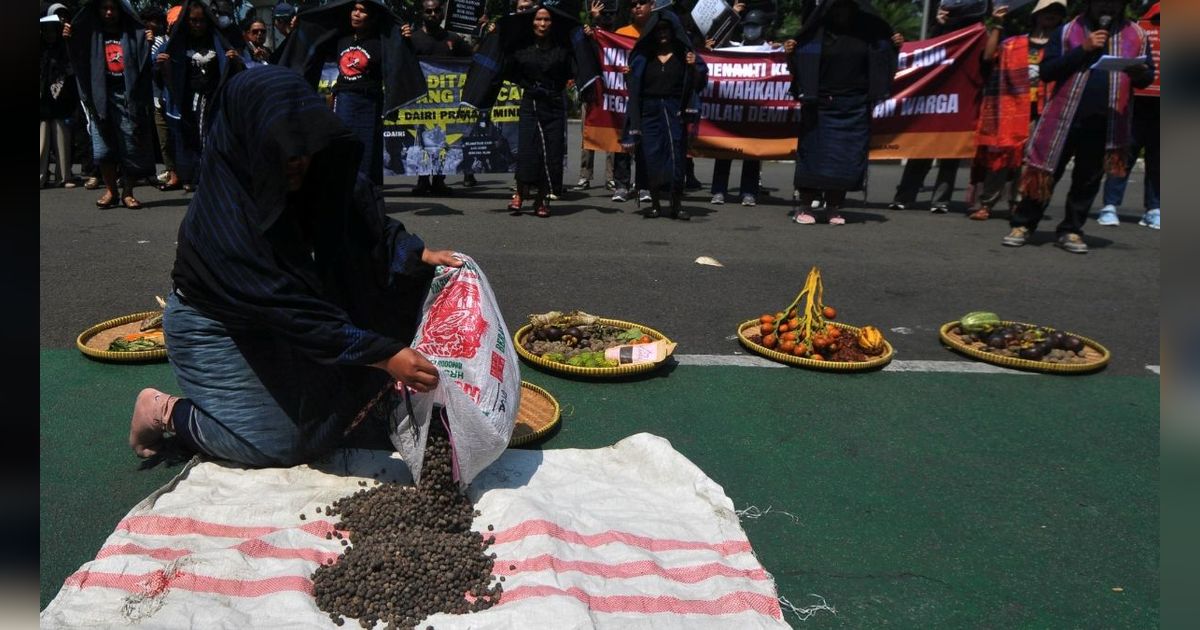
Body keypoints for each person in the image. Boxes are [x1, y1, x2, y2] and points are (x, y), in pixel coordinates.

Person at [129, 66, 463, 467]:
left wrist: (416, 254)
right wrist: (385, 356)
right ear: (248, 139)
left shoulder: (313, 167)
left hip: (288, 316)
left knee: (336, 402)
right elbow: (291, 310)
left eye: (301, 145)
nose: (296, 160)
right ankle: (167, 412)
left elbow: (361, 217)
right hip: (217, 324)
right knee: (280, 442)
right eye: (280, 147)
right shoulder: (225, 221)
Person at [1002, 0, 1154, 253]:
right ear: (1090, 4)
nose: (1109, 9)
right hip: (1063, 119)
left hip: (1105, 121)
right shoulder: (1066, 31)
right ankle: (1023, 224)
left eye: (1115, 4)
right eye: (1103, 3)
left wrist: (1140, 73)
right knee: (1045, 173)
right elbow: (1047, 71)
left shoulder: (1136, 34)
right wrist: (1083, 49)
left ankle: (1071, 229)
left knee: (1088, 180)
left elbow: (1147, 76)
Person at [462, 3, 599, 217]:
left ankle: (542, 199)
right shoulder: (521, 48)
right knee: (528, 151)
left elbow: (584, 61)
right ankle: (519, 193)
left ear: (553, 23)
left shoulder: (563, 48)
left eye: (546, 20)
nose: (542, 24)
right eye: (538, 19)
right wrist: (491, 34)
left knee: (551, 153)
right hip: (531, 103)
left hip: (554, 104)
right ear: (531, 22)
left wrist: (589, 36)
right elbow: (497, 61)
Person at [276, 0, 427, 187]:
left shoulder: (382, 41)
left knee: (366, 154)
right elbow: (314, 42)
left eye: (362, 11)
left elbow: (404, 56)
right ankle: (344, 198)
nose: (356, 14)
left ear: (371, 18)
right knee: (343, 151)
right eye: (354, 9)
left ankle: (366, 199)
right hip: (345, 101)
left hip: (369, 103)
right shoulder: (341, 39)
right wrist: (300, 28)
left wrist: (404, 38)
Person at [784, 0, 897, 225]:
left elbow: (883, 60)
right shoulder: (815, 34)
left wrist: (895, 45)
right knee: (813, 157)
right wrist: (790, 53)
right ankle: (805, 206)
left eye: (846, 8)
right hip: (820, 105)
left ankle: (834, 207)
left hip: (854, 106)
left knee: (845, 159)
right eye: (837, 8)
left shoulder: (869, 36)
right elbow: (798, 66)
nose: (841, 13)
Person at [966, 0, 1065, 221]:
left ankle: (1018, 204)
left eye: (1057, 13)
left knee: (1029, 160)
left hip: (1042, 111)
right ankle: (986, 203)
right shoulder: (1013, 43)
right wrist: (998, 23)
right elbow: (988, 56)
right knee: (1000, 156)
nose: (1051, 15)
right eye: (1047, 11)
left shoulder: (1061, 47)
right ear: (1036, 15)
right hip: (1009, 109)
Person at [888, 1, 982, 213]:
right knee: (921, 147)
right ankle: (905, 195)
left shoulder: (975, 33)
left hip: (960, 97)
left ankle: (941, 199)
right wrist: (939, 25)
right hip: (934, 97)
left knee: (951, 151)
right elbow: (928, 50)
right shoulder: (942, 31)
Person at [65, 0, 156, 209]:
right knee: (103, 147)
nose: (109, 12)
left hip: (127, 97)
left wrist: (147, 40)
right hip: (100, 97)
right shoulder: (90, 34)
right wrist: (70, 36)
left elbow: (142, 61)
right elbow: (77, 55)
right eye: (104, 8)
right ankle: (111, 191)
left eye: (113, 8)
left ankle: (128, 192)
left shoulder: (132, 33)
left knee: (130, 146)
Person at [621, 9, 708, 220]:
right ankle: (655, 205)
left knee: (676, 156)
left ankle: (676, 205)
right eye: (658, 30)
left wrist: (692, 67)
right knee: (651, 157)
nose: (662, 34)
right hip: (649, 110)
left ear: (673, 31)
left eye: (666, 30)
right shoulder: (644, 56)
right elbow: (635, 87)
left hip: (673, 108)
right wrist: (629, 76)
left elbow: (699, 83)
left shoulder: (685, 54)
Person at [159, 0, 243, 193]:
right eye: (193, 20)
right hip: (188, 101)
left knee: (213, 138)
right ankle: (193, 176)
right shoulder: (178, 43)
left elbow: (236, 70)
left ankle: (212, 177)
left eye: (201, 21)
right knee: (191, 139)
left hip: (214, 100)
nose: (197, 25)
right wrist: (162, 64)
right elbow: (162, 68)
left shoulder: (218, 42)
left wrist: (234, 61)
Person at [1096, 0, 1158, 229]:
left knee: (1158, 159)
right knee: (1123, 153)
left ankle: (1154, 207)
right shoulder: (1138, 29)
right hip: (1133, 102)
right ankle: (1110, 205)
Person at [710, 7, 772, 207]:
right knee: (724, 150)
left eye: (754, 26)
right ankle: (719, 190)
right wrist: (732, 14)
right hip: (732, 108)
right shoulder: (733, 47)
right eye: (748, 26)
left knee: (752, 152)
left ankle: (749, 191)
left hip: (755, 109)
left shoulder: (771, 51)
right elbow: (715, 35)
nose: (750, 30)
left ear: (763, 28)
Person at [409, 0, 473, 195]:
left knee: (442, 142)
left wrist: (484, 33)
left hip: (447, 101)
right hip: (421, 100)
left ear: (443, 14)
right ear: (422, 13)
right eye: (428, 11)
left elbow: (472, 60)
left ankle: (438, 180)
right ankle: (422, 181)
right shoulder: (412, 38)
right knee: (421, 141)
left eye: (437, 11)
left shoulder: (454, 38)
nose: (433, 14)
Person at [609, 0, 654, 204]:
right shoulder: (621, 33)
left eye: (642, 3)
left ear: (652, 5)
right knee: (624, 140)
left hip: (648, 95)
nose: (637, 7)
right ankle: (621, 184)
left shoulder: (656, 32)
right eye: (633, 4)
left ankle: (644, 185)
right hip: (624, 94)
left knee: (645, 142)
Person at [573, 1, 616, 193]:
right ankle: (584, 175)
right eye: (603, 14)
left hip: (613, 91)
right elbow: (578, 46)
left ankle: (611, 177)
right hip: (592, 90)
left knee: (612, 135)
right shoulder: (588, 32)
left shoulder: (617, 35)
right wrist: (592, 20)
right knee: (588, 132)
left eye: (609, 14)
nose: (606, 16)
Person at [40, 4, 78, 189]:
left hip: (61, 98)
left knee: (62, 139)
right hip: (41, 100)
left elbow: (71, 72)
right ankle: (40, 177)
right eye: (45, 31)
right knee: (42, 141)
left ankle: (64, 176)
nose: (49, 34)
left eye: (52, 31)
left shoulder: (65, 48)